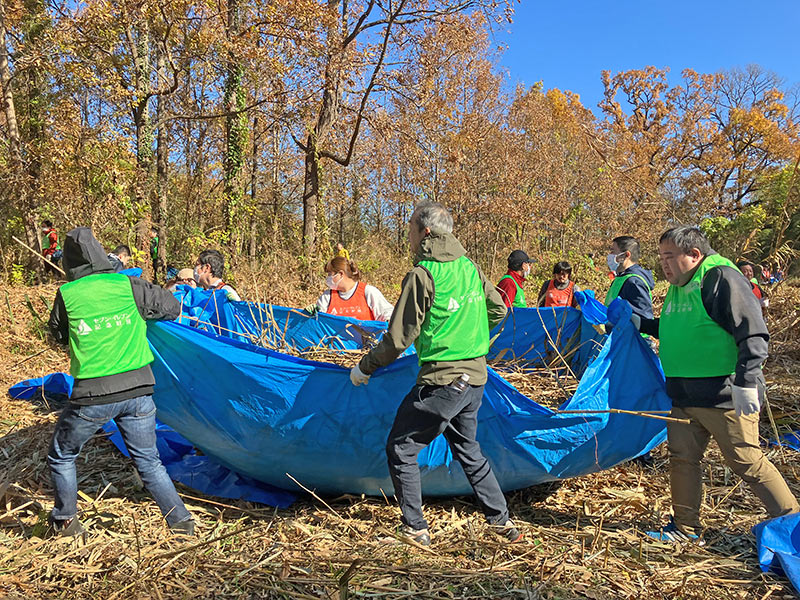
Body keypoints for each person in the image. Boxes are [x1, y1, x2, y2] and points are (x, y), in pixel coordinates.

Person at [608, 225, 799, 543]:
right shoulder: (678, 285)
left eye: (669, 257)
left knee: (746, 460)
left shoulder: (719, 277)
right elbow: (673, 328)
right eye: (661, 257)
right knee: (682, 459)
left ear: (694, 254)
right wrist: (634, 320)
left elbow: (752, 331)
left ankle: (791, 525)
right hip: (683, 395)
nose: (663, 264)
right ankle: (685, 528)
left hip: (724, 394)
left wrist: (747, 381)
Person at [349, 202, 521, 546]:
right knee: (468, 448)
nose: (408, 234)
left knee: (401, 447)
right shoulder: (469, 266)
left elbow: (398, 338)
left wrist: (364, 367)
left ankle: (415, 529)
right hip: (475, 378)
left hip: (443, 381)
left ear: (425, 232)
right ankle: (502, 522)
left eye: (410, 227)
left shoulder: (423, 274)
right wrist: (471, 333)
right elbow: (499, 307)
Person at [46, 227, 194, 537]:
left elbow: (57, 336)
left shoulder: (68, 294)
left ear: (70, 263)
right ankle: (181, 523)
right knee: (149, 461)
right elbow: (171, 307)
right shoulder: (127, 284)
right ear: (101, 254)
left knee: (62, 454)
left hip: (92, 395)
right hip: (139, 390)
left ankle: (66, 522)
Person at [313, 257, 393, 321]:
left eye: (330, 274)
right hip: (334, 341)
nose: (328, 278)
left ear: (340, 274)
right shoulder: (327, 296)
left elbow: (387, 313)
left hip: (366, 340)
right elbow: (318, 320)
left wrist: (387, 320)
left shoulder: (368, 292)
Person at [604, 236, 654, 320]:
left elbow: (643, 320)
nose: (609, 255)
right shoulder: (621, 278)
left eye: (613, 251)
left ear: (626, 255)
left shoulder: (634, 282)